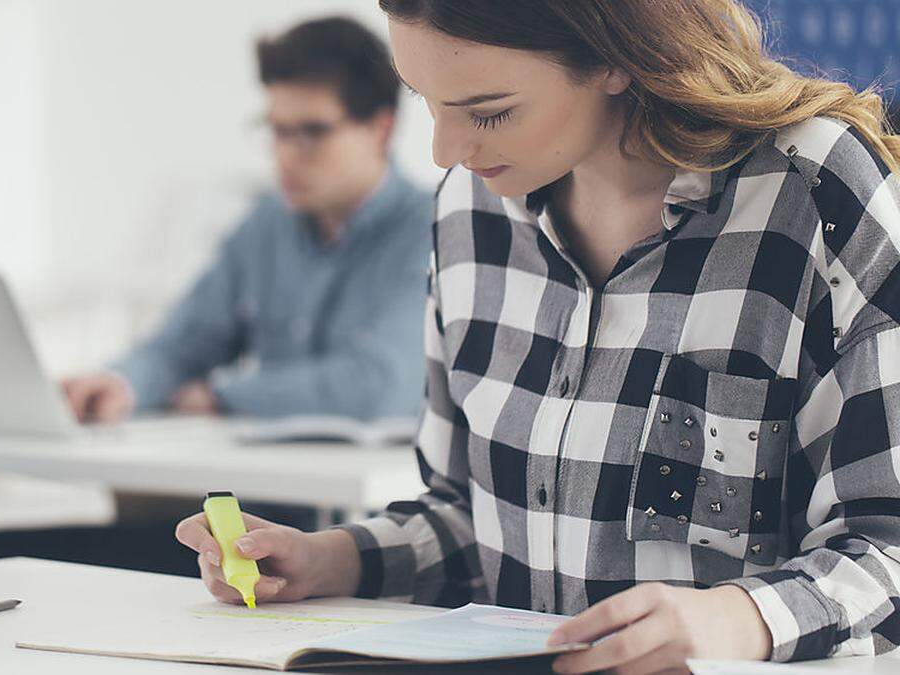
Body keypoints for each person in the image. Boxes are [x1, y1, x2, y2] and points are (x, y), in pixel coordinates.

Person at [176, 0, 900, 670]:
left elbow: (887, 545)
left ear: (616, 55)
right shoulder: (469, 208)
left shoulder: (815, 189)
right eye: (426, 103)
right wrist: (336, 558)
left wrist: (737, 620)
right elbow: (466, 512)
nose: (444, 150)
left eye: (487, 113)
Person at [63, 17, 433, 424]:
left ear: (381, 129)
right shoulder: (265, 225)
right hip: (257, 480)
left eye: (311, 133)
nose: (285, 156)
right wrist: (121, 383)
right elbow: (183, 343)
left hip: (371, 486)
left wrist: (222, 395)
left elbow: (381, 387)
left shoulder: (431, 229)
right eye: (276, 131)